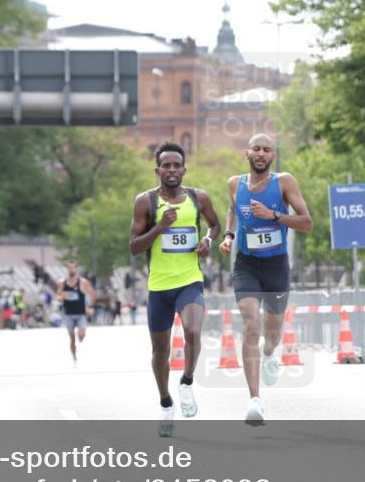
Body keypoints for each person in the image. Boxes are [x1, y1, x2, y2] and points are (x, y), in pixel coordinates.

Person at [219, 133, 313, 425]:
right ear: (247, 153)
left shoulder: (284, 182)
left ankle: (270, 353)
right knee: (251, 325)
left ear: (273, 155)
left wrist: (274, 215)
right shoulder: (234, 184)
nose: (261, 153)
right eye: (256, 149)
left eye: (267, 149)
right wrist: (228, 235)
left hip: (276, 266)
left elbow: (307, 223)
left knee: (272, 333)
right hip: (246, 265)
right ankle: (255, 401)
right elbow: (233, 210)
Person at [129, 141, 221, 437]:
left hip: (189, 281)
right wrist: (159, 227)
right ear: (157, 170)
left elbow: (215, 226)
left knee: (193, 331)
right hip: (159, 287)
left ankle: (187, 382)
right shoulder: (145, 202)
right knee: (160, 352)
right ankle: (166, 403)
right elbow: (134, 247)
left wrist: (208, 241)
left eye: (176, 165)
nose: (171, 170)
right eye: (166, 166)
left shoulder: (198, 198)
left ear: (184, 169)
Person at [57, 260, 96, 367]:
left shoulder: (83, 282)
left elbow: (92, 294)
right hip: (68, 314)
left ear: (76, 268)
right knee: (72, 339)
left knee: (81, 335)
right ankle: (74, 357)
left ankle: (81, 336)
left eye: (73, 267)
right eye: (69, 268)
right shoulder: (62, 282)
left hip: (80, 313)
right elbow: (58, 296)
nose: (71, 270)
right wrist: (61, 297)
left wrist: (89, 307)